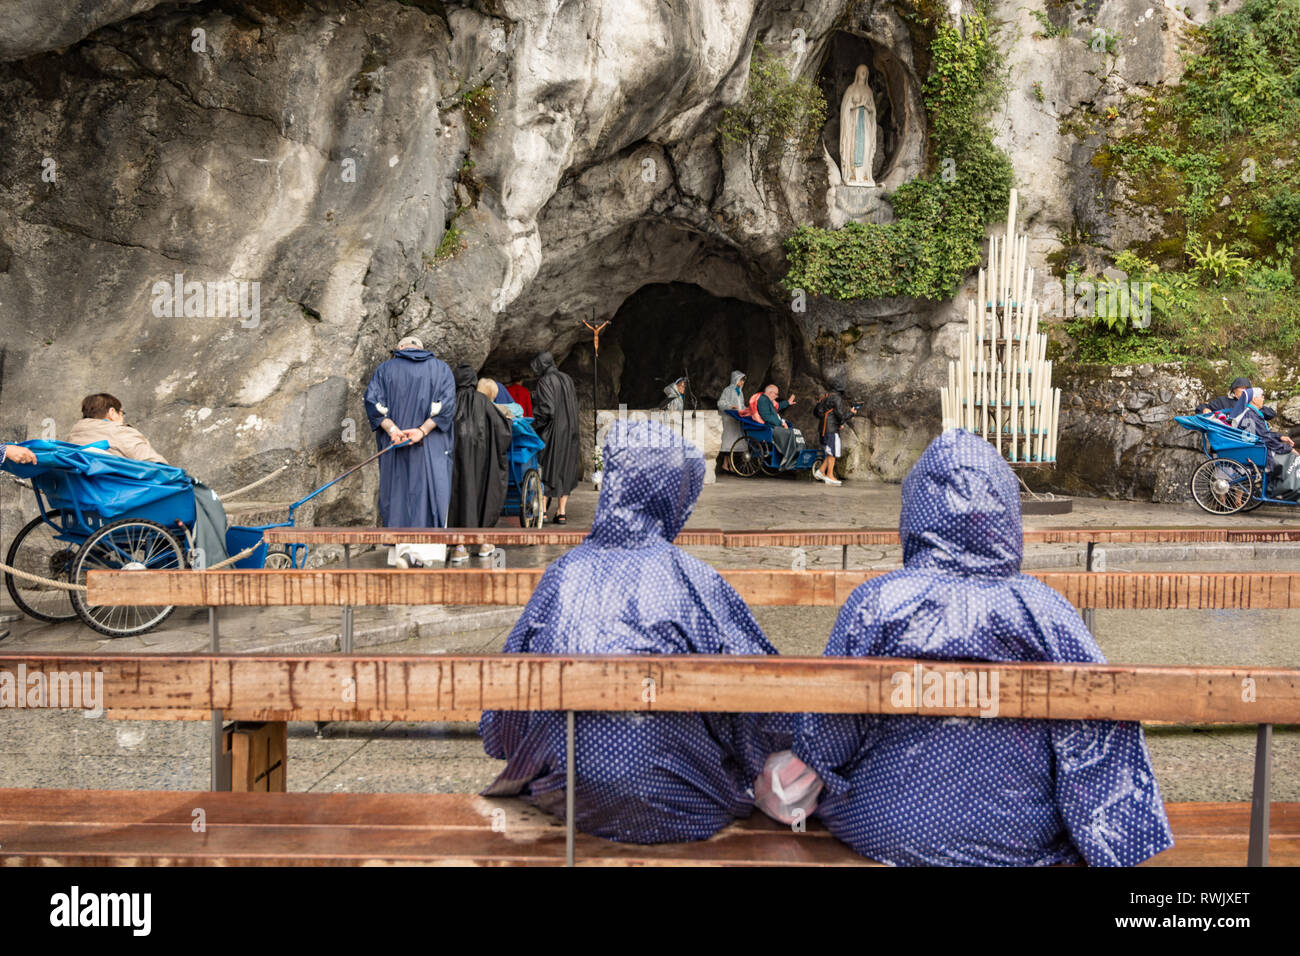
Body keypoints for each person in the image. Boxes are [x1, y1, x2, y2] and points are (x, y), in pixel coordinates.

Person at [756, 429, 1174, 866]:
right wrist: (1117, 840)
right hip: (1022, 834)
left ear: (915, 513)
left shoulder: (878, 602)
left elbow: (828, 734)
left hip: (886, 825)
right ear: (1006, 512)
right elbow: (1098, 729)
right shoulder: (1046, 610)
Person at [479, 419, 788, 842]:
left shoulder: (561, 577)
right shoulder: (696, 582)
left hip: (570, 799)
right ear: (673, 497)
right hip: (686, 806)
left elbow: (503, 718)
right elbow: (765, 700)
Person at [364, 336, 456, 568]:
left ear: (401, 348)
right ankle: (427, 555)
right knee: (432, 491)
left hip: (396, 446)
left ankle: (403, 551)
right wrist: (422, 431)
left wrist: (393, 429)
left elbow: (372, 402)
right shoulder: (441, 369)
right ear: (421, 349)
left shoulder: (385, 369)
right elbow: (447, 406)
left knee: (398, 493)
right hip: (431, 446)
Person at [447, 366, 512, 563]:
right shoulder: (484, 401)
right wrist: (508, 422)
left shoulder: (450, 402)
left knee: (458, 499)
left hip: (456, 463)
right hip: (484, 463)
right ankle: (484, 543)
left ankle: (459, 547)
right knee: (484, 495)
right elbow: (503, 431)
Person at [530, 351, 580, 524]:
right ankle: (561, 512)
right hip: (571, 431)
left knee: (548, 470)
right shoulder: (567, 379)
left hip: (552, 433)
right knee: (566, 469)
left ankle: (543, 511)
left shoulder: (545, 382)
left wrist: (534, 426)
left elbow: (546, 411)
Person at [66, 394, 168, 463]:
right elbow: (156, 464)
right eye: (121, 413)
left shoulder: (71, 439)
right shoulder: (120, 432)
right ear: (112, 413)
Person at [813, 386, 857, 487]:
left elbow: (817, 413)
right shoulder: (836, 398)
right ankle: (829, 476)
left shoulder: (825, 397)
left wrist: (837, 423)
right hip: (831, 429)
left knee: (829, 451)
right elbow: (840, 415)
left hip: (823, 428)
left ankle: (821, 471)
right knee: (833, 452)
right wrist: (851, 413)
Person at [753, 384, 801, 470]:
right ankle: (788, 458)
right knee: (789, 432)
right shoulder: (763, 400)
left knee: (794, 432)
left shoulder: (768, 400)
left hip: (774, 426)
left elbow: (777, 406)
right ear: (771, 393)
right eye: (776, 394)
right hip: (770, 428)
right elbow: (766, 417)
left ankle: (793, 457)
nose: (777, 396)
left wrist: (787, 403)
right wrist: (781, 423)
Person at [1197, 376, 1276, 420]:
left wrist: (1255, 407)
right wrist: (1204, 410)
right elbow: (1201, 408)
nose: (1244, 390)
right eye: (1241, 388)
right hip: (1226, 435)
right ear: (1234, 389)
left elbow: (1271, 414)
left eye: (1246, 388)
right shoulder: (1222, 401)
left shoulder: (1252, 403)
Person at [716, 371, 747, 473]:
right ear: (735, 379)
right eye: (741, 380)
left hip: (736, 419)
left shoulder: (740, 392)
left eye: (743, 381)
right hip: (728, 419)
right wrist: (730, 406)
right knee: (729, 442)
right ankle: (727, 464)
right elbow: (721, 402)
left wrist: (746, 410)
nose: (742, 382)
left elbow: (741, 405)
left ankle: (728, 464)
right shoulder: (728, 390)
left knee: (734, 443)